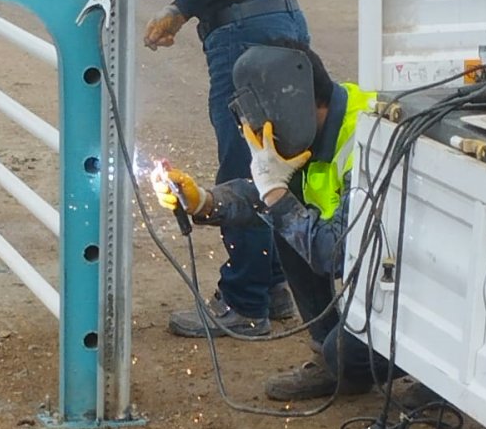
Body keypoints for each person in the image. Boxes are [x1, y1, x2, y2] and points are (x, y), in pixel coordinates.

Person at [89, 0, 308, 338]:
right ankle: (274, 286)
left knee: (244, 165)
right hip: (272, 17)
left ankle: (245, 303)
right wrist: (182, 8)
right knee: (272, 157)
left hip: (246, 34)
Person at [151, 40, 390, 400]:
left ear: (294, 106)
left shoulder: (367, 142)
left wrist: (275, 193)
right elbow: (263, 201)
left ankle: (431, 383)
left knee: (342, 353)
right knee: (287, 221)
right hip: (382, 277)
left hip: (416, 299)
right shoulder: (317, 126)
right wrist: (204, 201)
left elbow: (334, 254)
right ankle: (332, 361)